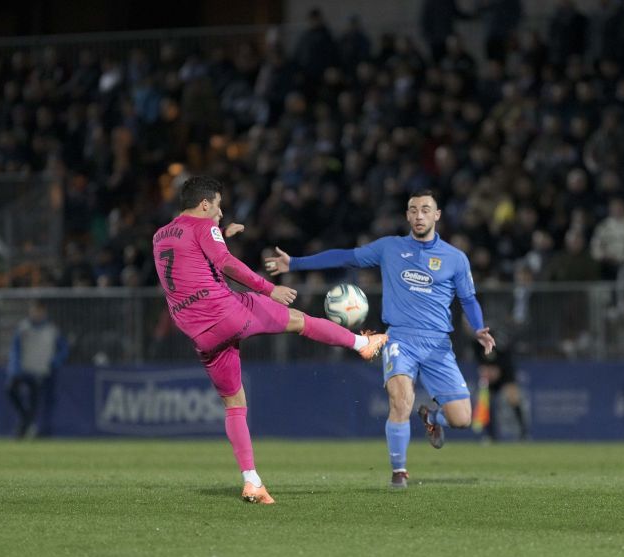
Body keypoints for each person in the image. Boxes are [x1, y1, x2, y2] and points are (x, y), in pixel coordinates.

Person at [152, 176, 387, 505]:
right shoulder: (205, 228)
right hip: (225, 311)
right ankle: (363, 345)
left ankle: (252, 482)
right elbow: (225, 264)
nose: (220, 214)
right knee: (298, 320)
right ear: (204, 204)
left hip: (197, 330)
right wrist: (268, 288)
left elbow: (193, 268)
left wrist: (222, 236)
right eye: (218, 207)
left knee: (234, 406)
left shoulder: (161, 235)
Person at [266, 190, 496, 488]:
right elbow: (346, 257)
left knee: (463, 419)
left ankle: (431, 419)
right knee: (401, 401)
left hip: (438, 344)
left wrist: (478, 327)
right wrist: (295, 263)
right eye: (413, 210)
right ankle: (399, 473)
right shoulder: (390, 248)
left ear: (437, 215)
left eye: (426, 209)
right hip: (399, 338)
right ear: (407, 215)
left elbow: (468, 299)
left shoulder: (455, 258)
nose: (419, 215)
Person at [6, 300, 69, 439]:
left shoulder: (52, 330)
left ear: (44, 312)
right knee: (10, 390)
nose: (36, 314)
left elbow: (64, 349)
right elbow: (15, 350)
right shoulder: (23, 328)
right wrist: (15, 368)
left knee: (38, 402)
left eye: (39, 311)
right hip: (25, 370)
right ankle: (25, 422)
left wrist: (55, 361)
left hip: (42, 371)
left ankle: (33, 429)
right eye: (34, 311)